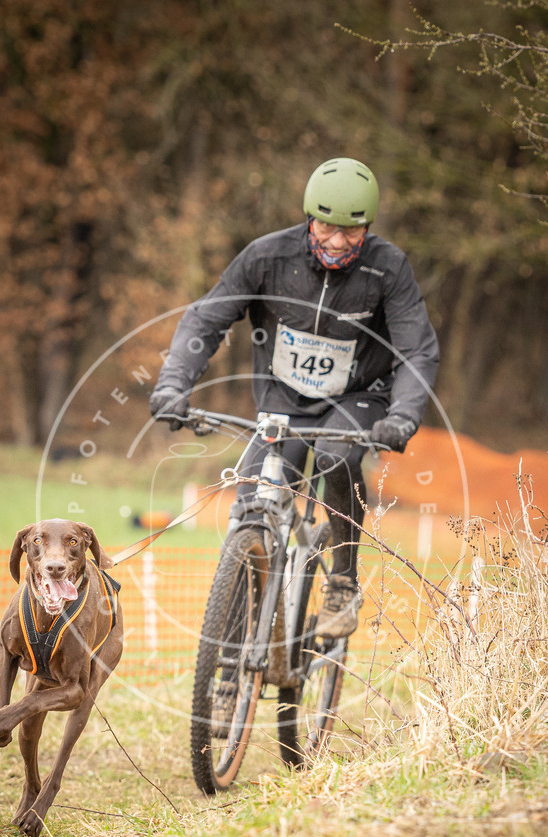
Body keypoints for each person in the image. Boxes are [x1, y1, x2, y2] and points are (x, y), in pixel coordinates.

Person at [150, 157, 439, 640]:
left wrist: (403, 416)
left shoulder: (388, 269)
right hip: (281, 401)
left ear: (367, 229)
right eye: (327, 226)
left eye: (352, 231)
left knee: (335, 457)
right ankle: (239, 635)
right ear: (309, 217)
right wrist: (172, 384)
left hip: (357, 397)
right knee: (251, 502)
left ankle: (342, 582)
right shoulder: (267, 257)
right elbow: (205, 320)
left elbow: (416, 350)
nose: (337, 240)